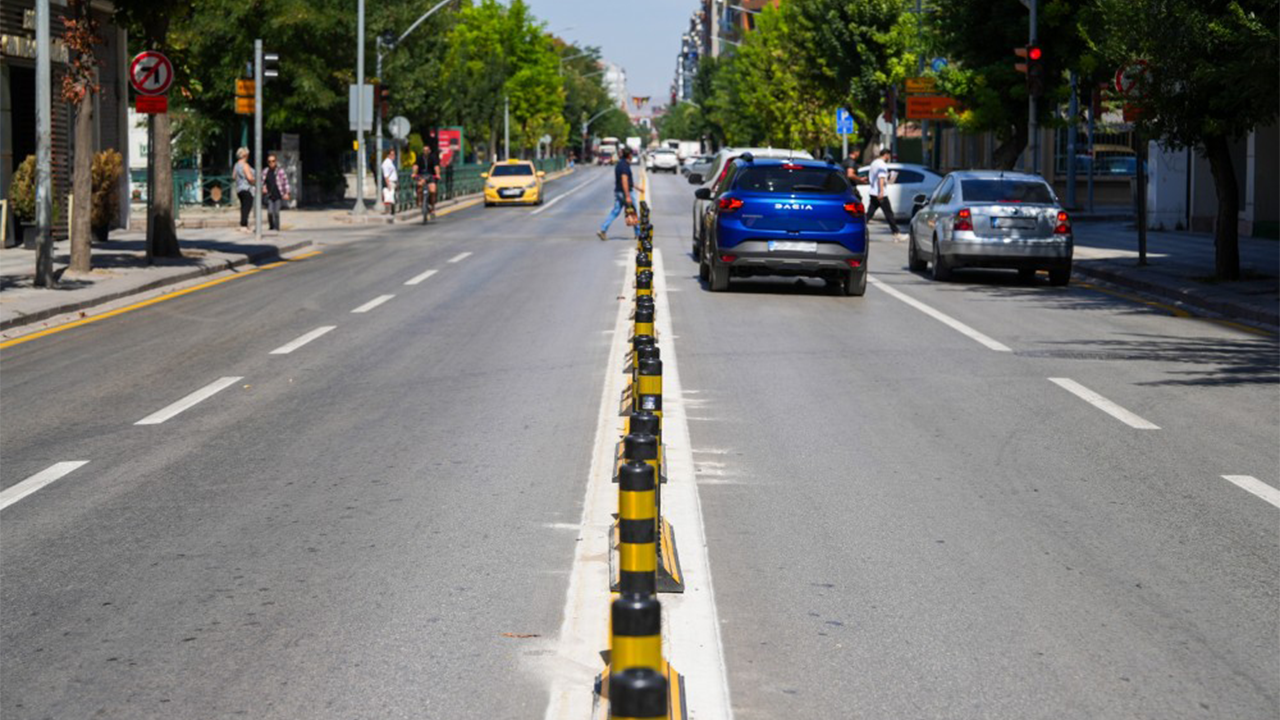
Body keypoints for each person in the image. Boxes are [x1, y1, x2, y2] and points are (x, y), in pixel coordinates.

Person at [597, 146, 635, 241]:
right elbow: (624, 180)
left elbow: (627, 181)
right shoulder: (625, 166)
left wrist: (638, 188)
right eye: (632, 154)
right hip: (625, 192)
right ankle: (638, 233)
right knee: (633, 212)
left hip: (618, 192)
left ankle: (603, 229)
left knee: (615, 212)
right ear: (629, 155)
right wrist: (627, 196)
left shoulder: (619, 164)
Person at [867, 148, 902, 240]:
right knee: (889, 213)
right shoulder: (882, 165)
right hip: (880, 193)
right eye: (889, 155)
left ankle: (859, 228)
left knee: (869, 213)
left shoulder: (874, 163)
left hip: (873, 192)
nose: (888, 157)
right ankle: (896, 233)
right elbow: (881, 178)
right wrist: (881, 191)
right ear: (886, 155)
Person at [263, 153, 291, 232]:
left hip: (278, 195)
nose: (271, 163)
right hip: (269, 196)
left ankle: (277, 228)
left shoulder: (280, 171)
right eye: (269, 161)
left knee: (276, 212)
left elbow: (286, 182)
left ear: (276, 161)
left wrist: (287, 193)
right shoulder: (265, 171)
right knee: (270, 212)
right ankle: (271, 226)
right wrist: (263, 188)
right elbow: (262, 182)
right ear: (267, 162)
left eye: (273, 161)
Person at [232, 147, 254, 233]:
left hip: (239, 189)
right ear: (245, 155)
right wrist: (255, 181)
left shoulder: (236, 165)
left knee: (243, 207)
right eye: (247, 154)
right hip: (246, 188)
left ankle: (244, 224)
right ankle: (243, 225)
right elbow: (249, 178)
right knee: (247, 207)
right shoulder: (245, 165)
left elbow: (233, 176)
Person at [381, 148, 398, 214]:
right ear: (388, 155)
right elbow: (386, 175)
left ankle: (391, 211)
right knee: (388, 196)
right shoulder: (386, 163)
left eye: (394, 154)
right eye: (391, 154)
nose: (393, 156)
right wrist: (388, 184)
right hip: (390, 182)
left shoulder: (390, 162)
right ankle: (388, 211)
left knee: (391, 197)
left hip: (393, 182)